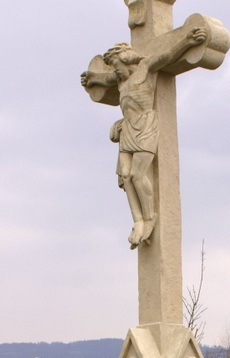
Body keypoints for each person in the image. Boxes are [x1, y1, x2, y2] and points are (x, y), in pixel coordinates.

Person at [81, 27, 207, 249]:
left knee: (138, 175)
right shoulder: (121, 79)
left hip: (145, 125)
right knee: (126, 176)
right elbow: (105, 79)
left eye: (117, 66)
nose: (116, 72)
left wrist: (187, 41)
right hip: (128, 128)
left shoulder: (145, 68)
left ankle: (149, 218)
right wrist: (92, 79)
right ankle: (138, 220)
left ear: (126, 61)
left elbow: (166, 56)